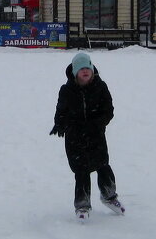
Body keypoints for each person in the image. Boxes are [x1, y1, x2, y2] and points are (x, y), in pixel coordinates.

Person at [50, 51, 124, 219]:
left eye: (87, 68)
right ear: (76, 72)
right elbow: (61, 110)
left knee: (103, 166)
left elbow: (108, 110)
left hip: (96, 135)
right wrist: (59, 124)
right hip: (75, 137)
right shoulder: (67, 90)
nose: (85, 71)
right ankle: (82, 206)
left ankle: (109, 197)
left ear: (92, 70)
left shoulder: (100, 86)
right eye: (81, 69)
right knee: (81, 172)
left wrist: (98, 123)